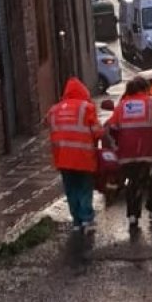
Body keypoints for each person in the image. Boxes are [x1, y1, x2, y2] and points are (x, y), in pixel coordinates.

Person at [106, 76, 152, 230]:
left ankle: (133, 216)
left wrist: (118, 145)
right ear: (145, 88)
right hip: (150, 151)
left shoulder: (122, 106)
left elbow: (112, 128)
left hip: (128, 152)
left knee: (132, 183)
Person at [47, 77, 104, 232]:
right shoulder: (86, 108)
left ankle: (77, 221)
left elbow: (53, 134)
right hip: (83, 156)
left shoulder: (53, 110)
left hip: (62, 158)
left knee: (70, 188)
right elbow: (97, 132)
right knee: (85, 187)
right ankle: (87, 218)